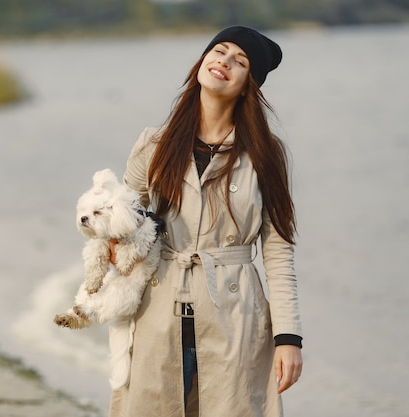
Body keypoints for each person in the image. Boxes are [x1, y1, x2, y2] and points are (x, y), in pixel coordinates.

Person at [108, 26, 303, 417]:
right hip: (158, 310)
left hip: (236, 317)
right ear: (203, 60)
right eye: (220, 50)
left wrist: (289, 338)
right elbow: (120, 216)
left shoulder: (265, 155)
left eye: (240, 61)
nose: (225, 61)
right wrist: (114, 246)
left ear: (250, 84)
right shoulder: (154, 144)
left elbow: (278, 251)